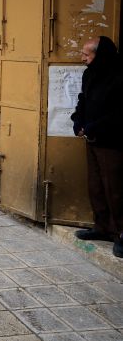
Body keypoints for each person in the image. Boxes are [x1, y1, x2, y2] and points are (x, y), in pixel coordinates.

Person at [71, 36, 123, 258]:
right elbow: (83, 99)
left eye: (87, 55)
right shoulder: (89, 74)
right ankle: (102, 227)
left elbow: (119, 114)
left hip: (112, 142)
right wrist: (78, 120)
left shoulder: (119, 77)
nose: (82, 58)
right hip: (92, 140)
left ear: (100, 56)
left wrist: (93, 126)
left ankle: (121, 233)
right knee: (95, 186)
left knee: (116, 190)